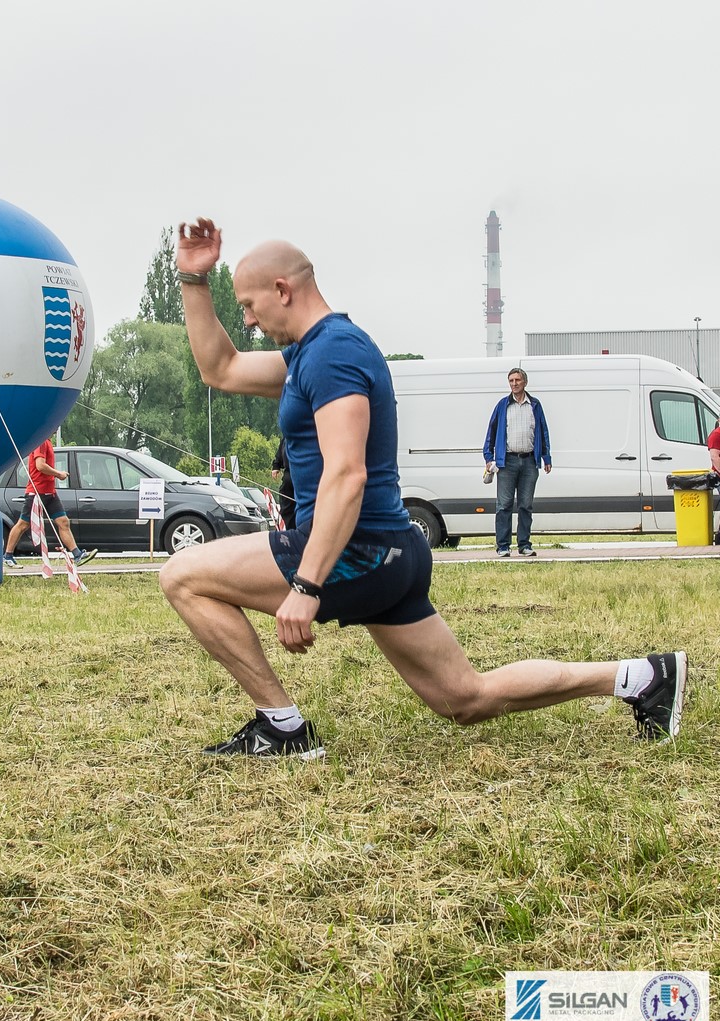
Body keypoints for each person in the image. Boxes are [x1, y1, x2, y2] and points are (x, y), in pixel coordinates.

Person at [157, 218, 684, 757]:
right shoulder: (312, 353)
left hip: (356, 551)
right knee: (466, 698)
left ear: (282, 290)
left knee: (183, 576)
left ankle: (282, 728)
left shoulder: (332, 353)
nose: (247, 320)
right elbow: (221, 369)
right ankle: (642, 678)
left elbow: (347, 473)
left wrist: (307, 585)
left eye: (249, 305)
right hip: (389, 550)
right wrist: (193, 279)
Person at [482, 367, 552, 558]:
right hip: (507, 462)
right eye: (511, 380)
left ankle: (524, 545)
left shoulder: (535, 405)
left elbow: (543, 431)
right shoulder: (502, 405)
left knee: (525, 505)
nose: (514, 384)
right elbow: (491, 432)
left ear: (525, 382)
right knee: (504, 505)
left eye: (517, 380)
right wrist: (488, 457)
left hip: (529, 461)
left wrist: (546, 457)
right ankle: (503, 546)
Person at [1, 439, 96, 568]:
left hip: (50, 493)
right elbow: (40, 465)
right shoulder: (41, 441)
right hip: (36, 492)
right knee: (23, 524)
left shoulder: (48, 442)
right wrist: (58, 474)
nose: (56, 429)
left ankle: (77, 555)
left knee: (63, 522)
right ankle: (7, 556)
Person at [270, 438, 297, 531]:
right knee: (286, 507)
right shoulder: (286, 437)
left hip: (305, 475)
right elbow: (282, 448)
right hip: (289, 475)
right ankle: (287, 532)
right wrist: (276, 465)